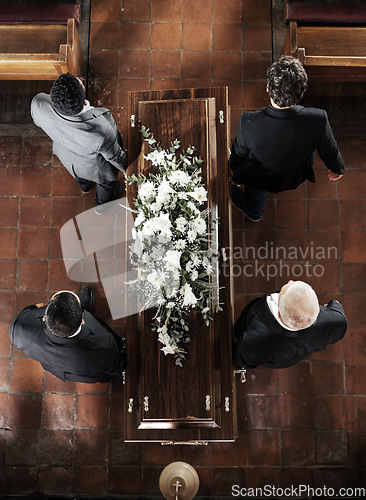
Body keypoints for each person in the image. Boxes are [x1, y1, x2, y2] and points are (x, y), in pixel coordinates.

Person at [230, 56, 345, 221]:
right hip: (293, 176)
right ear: (302, 93)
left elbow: (238, 155)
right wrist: (338, 168)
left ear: (268, 88)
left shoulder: (247, 121)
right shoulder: (318, 119)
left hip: (258, 176)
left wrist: (233, 168)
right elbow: (330, 150)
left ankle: (246, 205)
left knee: (254, 206)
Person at [31, 73, 127, 214]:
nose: (81, 80)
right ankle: (101, 205)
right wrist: (128, 170)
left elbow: (39, 122)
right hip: (96, 168)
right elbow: (115, 157)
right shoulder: (100, 131)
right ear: (83, 102)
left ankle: (85, 187)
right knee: (107, 184)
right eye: (81, 83)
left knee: (80, 176)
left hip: (67, 156)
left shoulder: (38, 104)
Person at [8, 287, 126, 383]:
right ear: (83, 321)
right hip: (94, 370)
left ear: (45, 317)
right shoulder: (103, 347)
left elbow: (32, 309)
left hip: (60, 368)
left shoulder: (18, 329)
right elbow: (117, 367)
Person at [233, 280, 347, 369]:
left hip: (270, 355)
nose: (290, 281)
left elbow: (243, 360)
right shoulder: (336, 322)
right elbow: (336, 305)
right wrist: (334, 305)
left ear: (278, 312)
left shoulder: (252, 342)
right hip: (287, 358)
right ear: (317, 310)